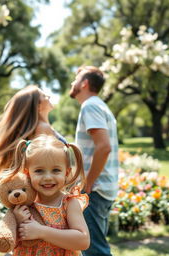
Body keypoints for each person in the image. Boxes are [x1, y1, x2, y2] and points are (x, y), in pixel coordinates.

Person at [10, 134, 90, 256]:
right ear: (28, 173)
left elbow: (83, 241)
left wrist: (41, 232)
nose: (47, 177)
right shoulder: (23, 202)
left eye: (56, 170)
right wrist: (17, 221)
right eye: (39, 171)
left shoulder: (68, 203)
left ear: (66, 172)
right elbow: (8, 239)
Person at [69, 66, 119, 256]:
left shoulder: (90, 106)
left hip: (95, 190)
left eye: (76, 78)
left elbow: (104, 147)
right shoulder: (100, 105)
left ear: (84, 83)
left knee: (94, 251)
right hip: (103, 188)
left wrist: (87, 184)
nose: (73, 82)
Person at [0, 85, 57, 180]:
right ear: (38, 106)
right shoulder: (42, 128)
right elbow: (50, 164)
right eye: (44, 96)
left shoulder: (40, 127)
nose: (49, 96)